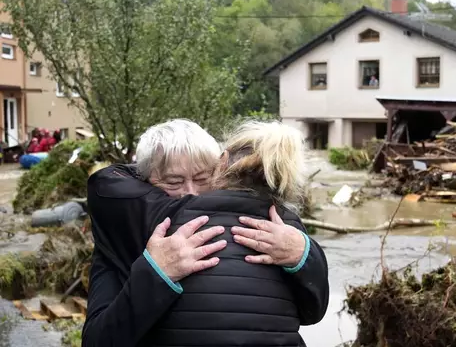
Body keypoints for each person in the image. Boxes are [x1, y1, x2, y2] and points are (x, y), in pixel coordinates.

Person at [83, 119, 329, 346]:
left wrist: (303, 254)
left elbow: (310, 311)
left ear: (221, 168)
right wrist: (156, 274)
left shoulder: (280, 230)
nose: (190, 193)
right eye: (172, 182)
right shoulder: (124, 228)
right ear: (142, 183)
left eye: (202, 178)